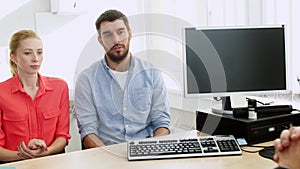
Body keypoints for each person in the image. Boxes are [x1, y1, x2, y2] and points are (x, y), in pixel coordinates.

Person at [74, 9, 170, 148]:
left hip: (146, 152)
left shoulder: (152, 73)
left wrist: (151, 149)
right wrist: (109, 158)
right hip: (105, 155)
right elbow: (88, 131)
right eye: (108, 35)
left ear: (130, 34)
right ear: (100, 40)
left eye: (120, 32)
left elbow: (161, 122)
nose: (116, 40)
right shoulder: (86, 79)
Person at [0, 30, 71, 163]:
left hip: (51, 162)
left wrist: (46, 152)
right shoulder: (1, 93)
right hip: (13, 165)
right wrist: (24, 155)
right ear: (13, 57)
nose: (35, 58)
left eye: (39, 52)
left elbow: (63, 137)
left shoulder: (60, 87)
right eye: (27, 53)